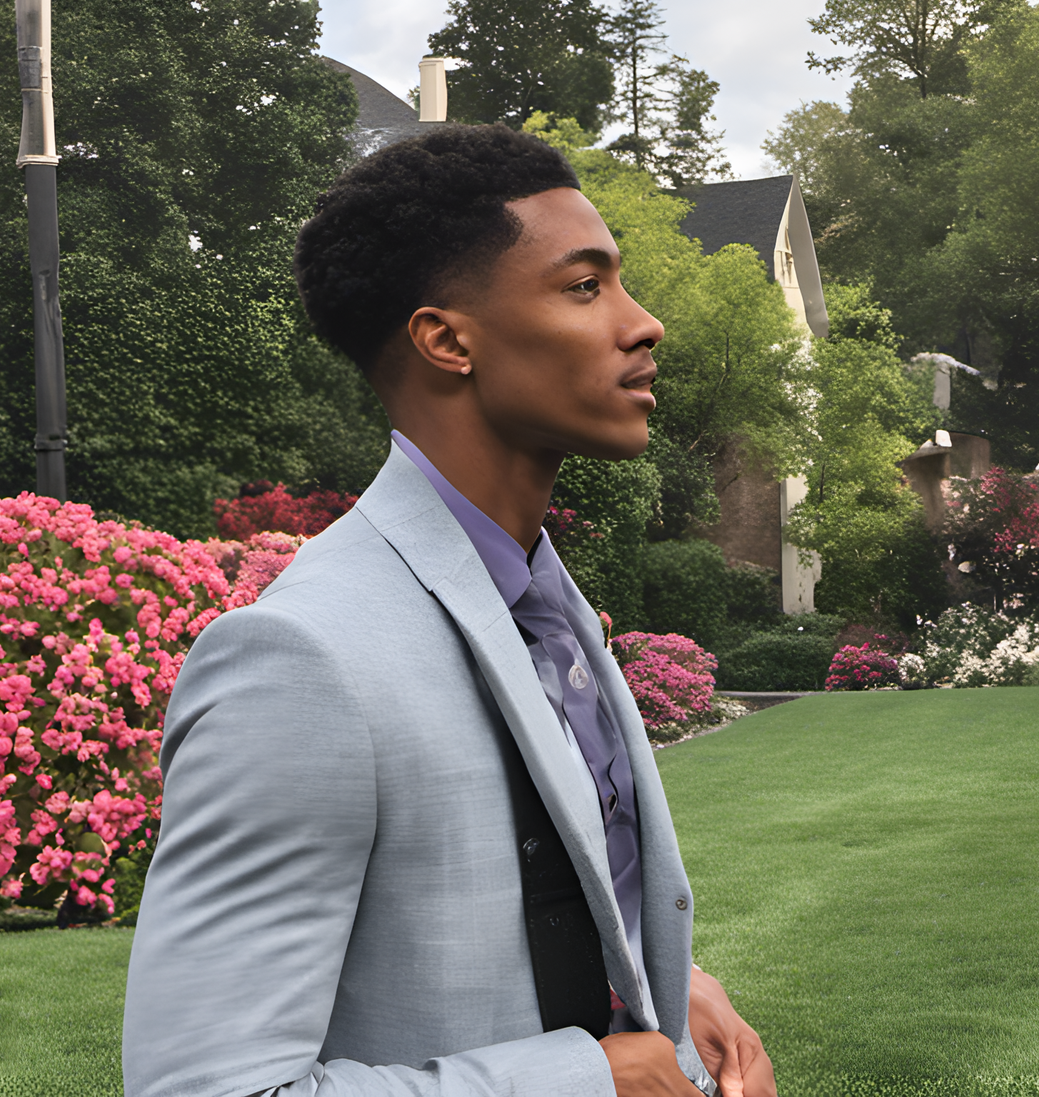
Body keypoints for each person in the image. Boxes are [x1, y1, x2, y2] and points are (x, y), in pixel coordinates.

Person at [123, 124, 777, 1097]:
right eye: (584, 286)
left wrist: (658, 991)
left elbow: (522, 919)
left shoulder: (544, 606)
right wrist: (587, 1079)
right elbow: (205, 1088)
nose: (645, 324)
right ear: (446, 339)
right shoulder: (301, 658)